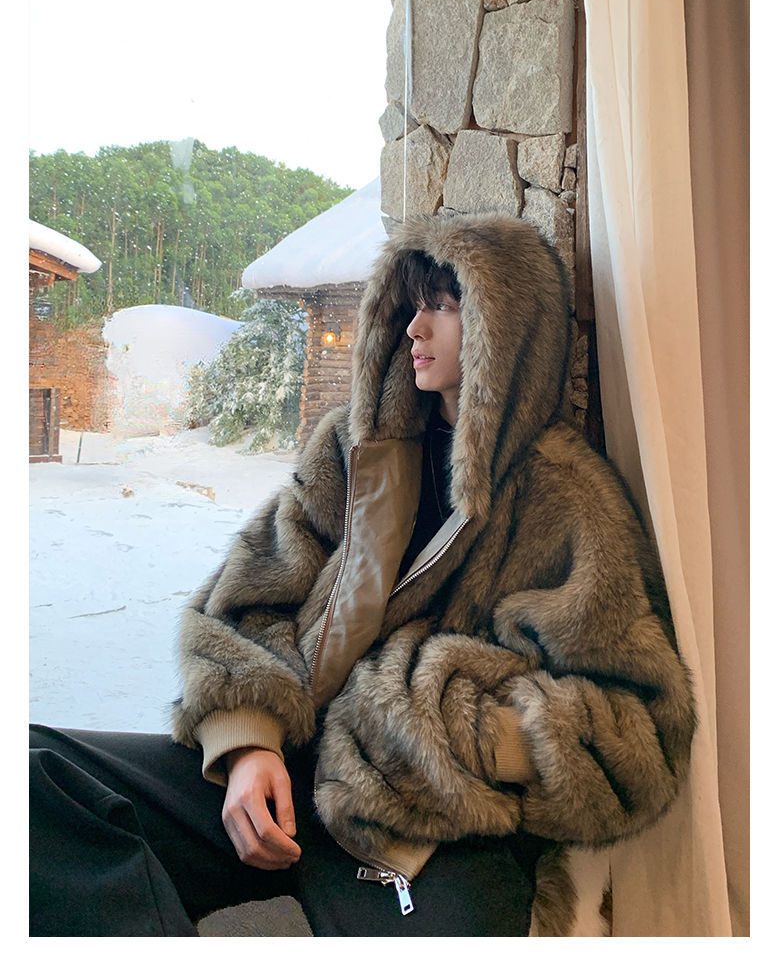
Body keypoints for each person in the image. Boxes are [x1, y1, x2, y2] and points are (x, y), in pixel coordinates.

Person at [30, 214, 696, 937]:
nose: (415, 328)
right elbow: (243, 601)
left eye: (443, 306)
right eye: (411, 306)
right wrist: (248, 743)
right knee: (35, 776)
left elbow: (639, 732)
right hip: (284, 771)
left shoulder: (568, 498)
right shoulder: (352, 447)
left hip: (419, 826)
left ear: (506, 331)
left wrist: (449, 732)